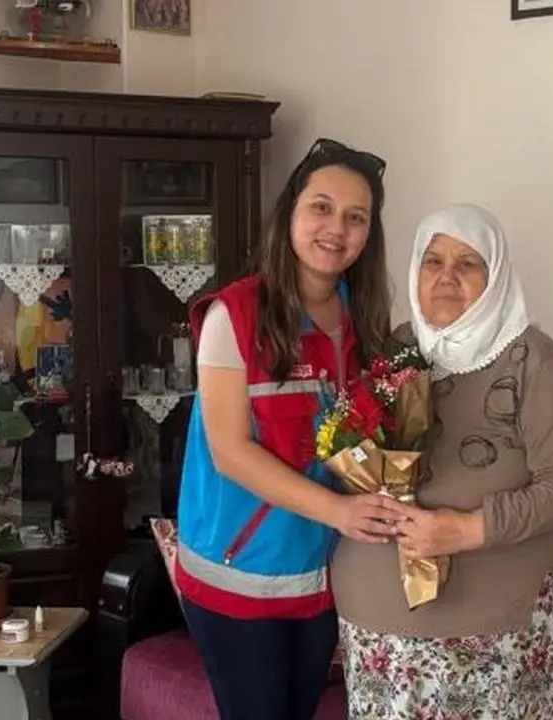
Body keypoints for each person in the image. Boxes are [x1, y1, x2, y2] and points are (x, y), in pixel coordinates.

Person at [332, 203, 553, 719]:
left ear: (495, 277)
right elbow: (359, 446)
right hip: (376, 620)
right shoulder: (399, 347)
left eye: (468, 263)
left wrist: (467, 530)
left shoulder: (532, 358)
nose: (446, 276)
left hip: (491, 626)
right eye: (433, 261)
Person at [176, 137, 399, 720]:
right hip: (239, 576)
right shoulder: (234, 314)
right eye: (321, 207)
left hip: (320, 577)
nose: (337, 228)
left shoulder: (364, 317)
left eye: (356, 217)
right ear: (290, 213)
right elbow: (230, 452)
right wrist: (341, 512)